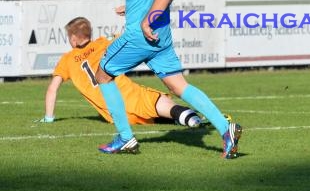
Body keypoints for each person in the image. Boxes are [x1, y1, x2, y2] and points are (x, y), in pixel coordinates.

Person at [94, 0, 242, 157]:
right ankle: (225, 129)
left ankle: (124, 137)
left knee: (103, 74)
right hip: (161, 38)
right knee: (179, 85)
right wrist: (132, 7)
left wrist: (145, 22)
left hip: (141, 36)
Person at [37, 17, 203, 128]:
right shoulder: (102, 43)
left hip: (114, 115)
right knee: (159, 103)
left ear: (73, 39)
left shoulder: (67, 60)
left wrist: (49, 118)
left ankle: (188, 117)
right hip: (125, 93)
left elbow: (53, 88)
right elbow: (125, 39)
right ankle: (195, 118)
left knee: (152, 114)